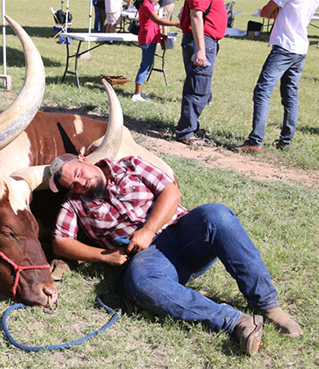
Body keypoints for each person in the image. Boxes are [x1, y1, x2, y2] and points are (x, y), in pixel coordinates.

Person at [49, 153, 303, 356]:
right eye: (74, 185)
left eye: (79, 174)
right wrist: (104, 256)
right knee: (140, 282)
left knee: (217, 214)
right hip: (149, 259)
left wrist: (148, 230)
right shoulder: (74, 204)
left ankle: (268, 305)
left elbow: (171, 192)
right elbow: (61, 243)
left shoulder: (129, 164)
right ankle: (238, 322)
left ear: (84, 160)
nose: (81, 184)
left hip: (184, 232)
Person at [230, 0, 319, 152]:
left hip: (284, 46)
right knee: (290, 95)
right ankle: (285, 142)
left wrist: (276, 11)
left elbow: (265, 12)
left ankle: (255, 140)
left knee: (262, 91)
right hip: (300, 48)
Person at [175, 0, 227, 146]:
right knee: (197, 87)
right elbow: (196, 15)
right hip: (202, 40)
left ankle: (191, 125)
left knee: (200, 86)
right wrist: (201, 49)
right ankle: (185, 131)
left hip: (206, 40)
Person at [132, 0, 180, 102]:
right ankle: (136, 95)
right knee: (145, 66)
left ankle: (139, 92)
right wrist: (175, 23)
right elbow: (158, 21)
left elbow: (153, 24)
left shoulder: (147, 5)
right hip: (147, 39)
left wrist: (161, 35)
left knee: (147, 65)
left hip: (150, 38)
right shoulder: (147, 5)